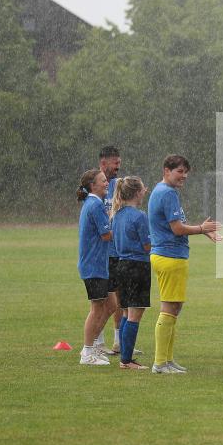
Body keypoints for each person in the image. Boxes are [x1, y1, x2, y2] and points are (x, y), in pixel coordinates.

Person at [149, 155, 222, 374]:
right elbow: (177, 229)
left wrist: (203, 231)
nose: (184, 176)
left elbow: (177, 225)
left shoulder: (162, 191)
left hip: (168, 255)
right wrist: (201, 229)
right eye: (180, 171)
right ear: (166, 170)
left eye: (186, 172)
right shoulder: (168, 193)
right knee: (169, 308)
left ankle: (167, 360)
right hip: (169, 256)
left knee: (174, 308)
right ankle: (160, 363)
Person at [110, 176, 152, 370]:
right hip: (137, 267)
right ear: (137, 192)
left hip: (121, 266)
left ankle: (125, 357)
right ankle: (126, 361)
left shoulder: (116, 215)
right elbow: (147, 245)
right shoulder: (139, 216)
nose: (145, 192)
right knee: (135, 315)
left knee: (126, 313)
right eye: (143, 189)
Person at [76, 169, 113, 366]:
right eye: (103, 181)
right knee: (96, 308)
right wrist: (126, 227)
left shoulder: (93, 203)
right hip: (93, 265)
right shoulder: (96, 204)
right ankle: (87, 352)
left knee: (109, 305)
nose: (107, 183)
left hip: (97, 264)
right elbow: (106, 235)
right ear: (92, 185)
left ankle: (93, 348)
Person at [98, 146, 122, 357]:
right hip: (103, 252)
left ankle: (118, 341)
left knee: (120, 299)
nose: (118, 167)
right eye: (115, 163)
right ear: (103, 163)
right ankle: (97, 342)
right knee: (103, 300)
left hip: (119, 251)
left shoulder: (119, 185)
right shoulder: (92, 184)